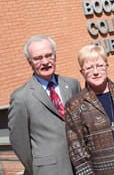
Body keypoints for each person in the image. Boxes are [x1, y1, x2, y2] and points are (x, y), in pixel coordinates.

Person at [8, 35, 81, 175]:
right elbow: (19, 142)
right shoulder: (21, 98)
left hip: (81, 165)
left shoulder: (72, 84)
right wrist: (37, 169)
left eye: (49, 55)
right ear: (30, 62)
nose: (45, 62)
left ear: (55, 56)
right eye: (38, 58)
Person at [64, 44, 114, 175]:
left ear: (107, 66)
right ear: (82, 72)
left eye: (100, 66)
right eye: (89, 68)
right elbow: (77, 149)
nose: (96, 72)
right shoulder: (74, 105)